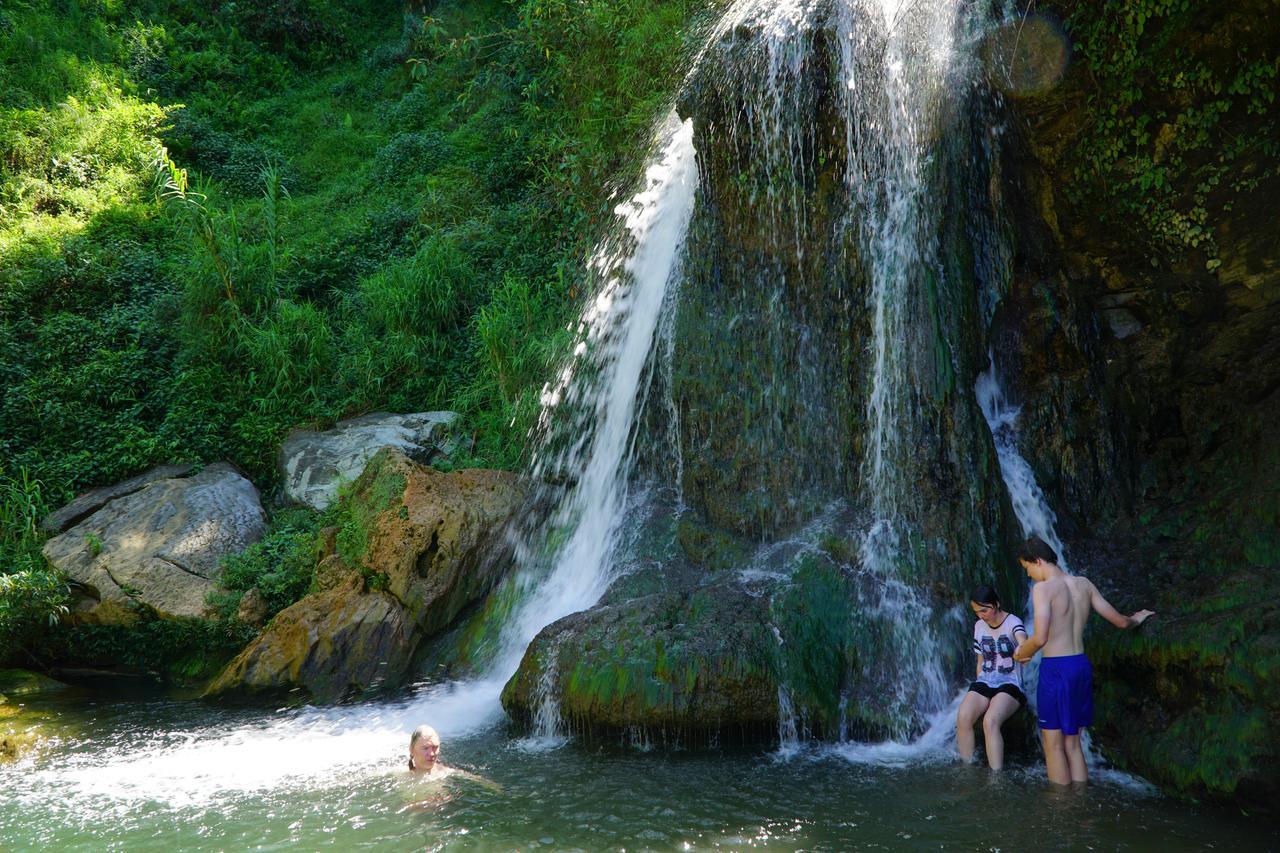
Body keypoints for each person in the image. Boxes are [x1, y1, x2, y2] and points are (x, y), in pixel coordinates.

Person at [1012, 535, 1154, 785]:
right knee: (1073, 743)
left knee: (1053, 744)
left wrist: (1023, 651)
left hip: (1056, 670)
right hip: (1080, 667)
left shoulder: (1043, 590)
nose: (1029, 575)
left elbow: (1041, 636)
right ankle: (1080, 800)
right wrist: (1137, 618)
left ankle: (1062, 810)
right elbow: (1121, 621)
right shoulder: (1083, 584)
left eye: (1027, 568)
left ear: (1037, 561)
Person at [955, 584, 1028, 770]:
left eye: (984, 610)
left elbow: (1022, 639)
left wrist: (1022, 647)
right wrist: (980, 686)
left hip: (1010, 683)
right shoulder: (979, 626)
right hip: (986, 681)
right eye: (976, 611)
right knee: (963, 717)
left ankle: (996, 777)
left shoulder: (1013, 622)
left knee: (990, 721)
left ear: (996, 604)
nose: (981, 615)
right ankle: (966, 767)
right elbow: (980, 660)